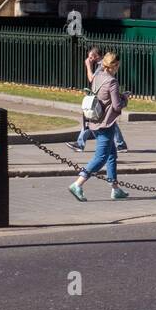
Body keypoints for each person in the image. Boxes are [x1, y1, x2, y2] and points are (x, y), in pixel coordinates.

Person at [68, 52, 129, 201]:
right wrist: (125, 98)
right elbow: (116, 106)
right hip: (105, 124)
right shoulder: (112, 82)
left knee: (111, 154)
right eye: (118, 66)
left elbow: (102, 97)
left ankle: (115, 189)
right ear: (114, 66)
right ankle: (78, 183)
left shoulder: (97, 76)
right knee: (101, 157)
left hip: (94, 120)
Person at [70, 45, 127, 154]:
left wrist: (88, 66)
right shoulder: (102, 68)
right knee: (108, 121)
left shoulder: (102, 67)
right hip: (103, 102)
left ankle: (81, 145)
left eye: (90, 57)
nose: (89, 59)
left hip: (102, 102)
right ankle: (120, 144)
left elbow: (92, 79)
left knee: (94, 120)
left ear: (96, 56)